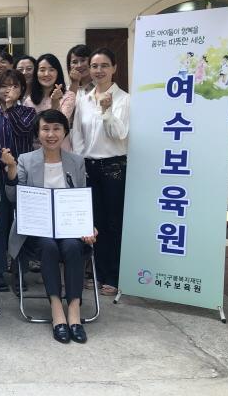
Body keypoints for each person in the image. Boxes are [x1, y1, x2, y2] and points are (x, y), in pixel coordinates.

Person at [3, 109, 97, 344]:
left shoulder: (76, 161)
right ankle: (56, 309)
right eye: (45, 129)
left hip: (68, 228)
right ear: (38, 133)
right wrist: (12, 171)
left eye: (56, 129)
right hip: (36, 230)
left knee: (73, 247)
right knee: (48, 247)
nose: (51, 134)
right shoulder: (26, 160)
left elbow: (81, 199)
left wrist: (89, 225)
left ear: (65, 132)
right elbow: (13, 197)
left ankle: (73, 310)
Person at [72, 48, 129, 296]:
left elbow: (120, 134)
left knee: (113, 223)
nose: (99, 70)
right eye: (94, 66)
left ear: (114, 68)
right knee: (93, 223)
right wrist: (80, 160)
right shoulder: (83, 99)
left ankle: (113, 276)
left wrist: (107, 111)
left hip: (114, 167)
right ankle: (97, 273)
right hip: (89, 167)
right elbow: (77, 134)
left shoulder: (125, 100)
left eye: (104, 65)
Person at [0, 69, 36, 291]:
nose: (8, 90)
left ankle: (19, 270)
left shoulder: (28, 112)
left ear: (22, 89)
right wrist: (4, 162)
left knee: (21, 222)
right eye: (4, 85)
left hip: (23, 173)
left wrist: (11, 109)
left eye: (14, 86)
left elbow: (24, 131)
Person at [24, 53, 75, 150]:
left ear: (58, 72)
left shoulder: (68, 96)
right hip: (37, 152)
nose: (46, 74)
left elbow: (60, 123)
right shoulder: (29, 100)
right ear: (36, 73)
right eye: (42, 70)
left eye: (51, 69)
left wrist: (55, 102)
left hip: (61, 152)